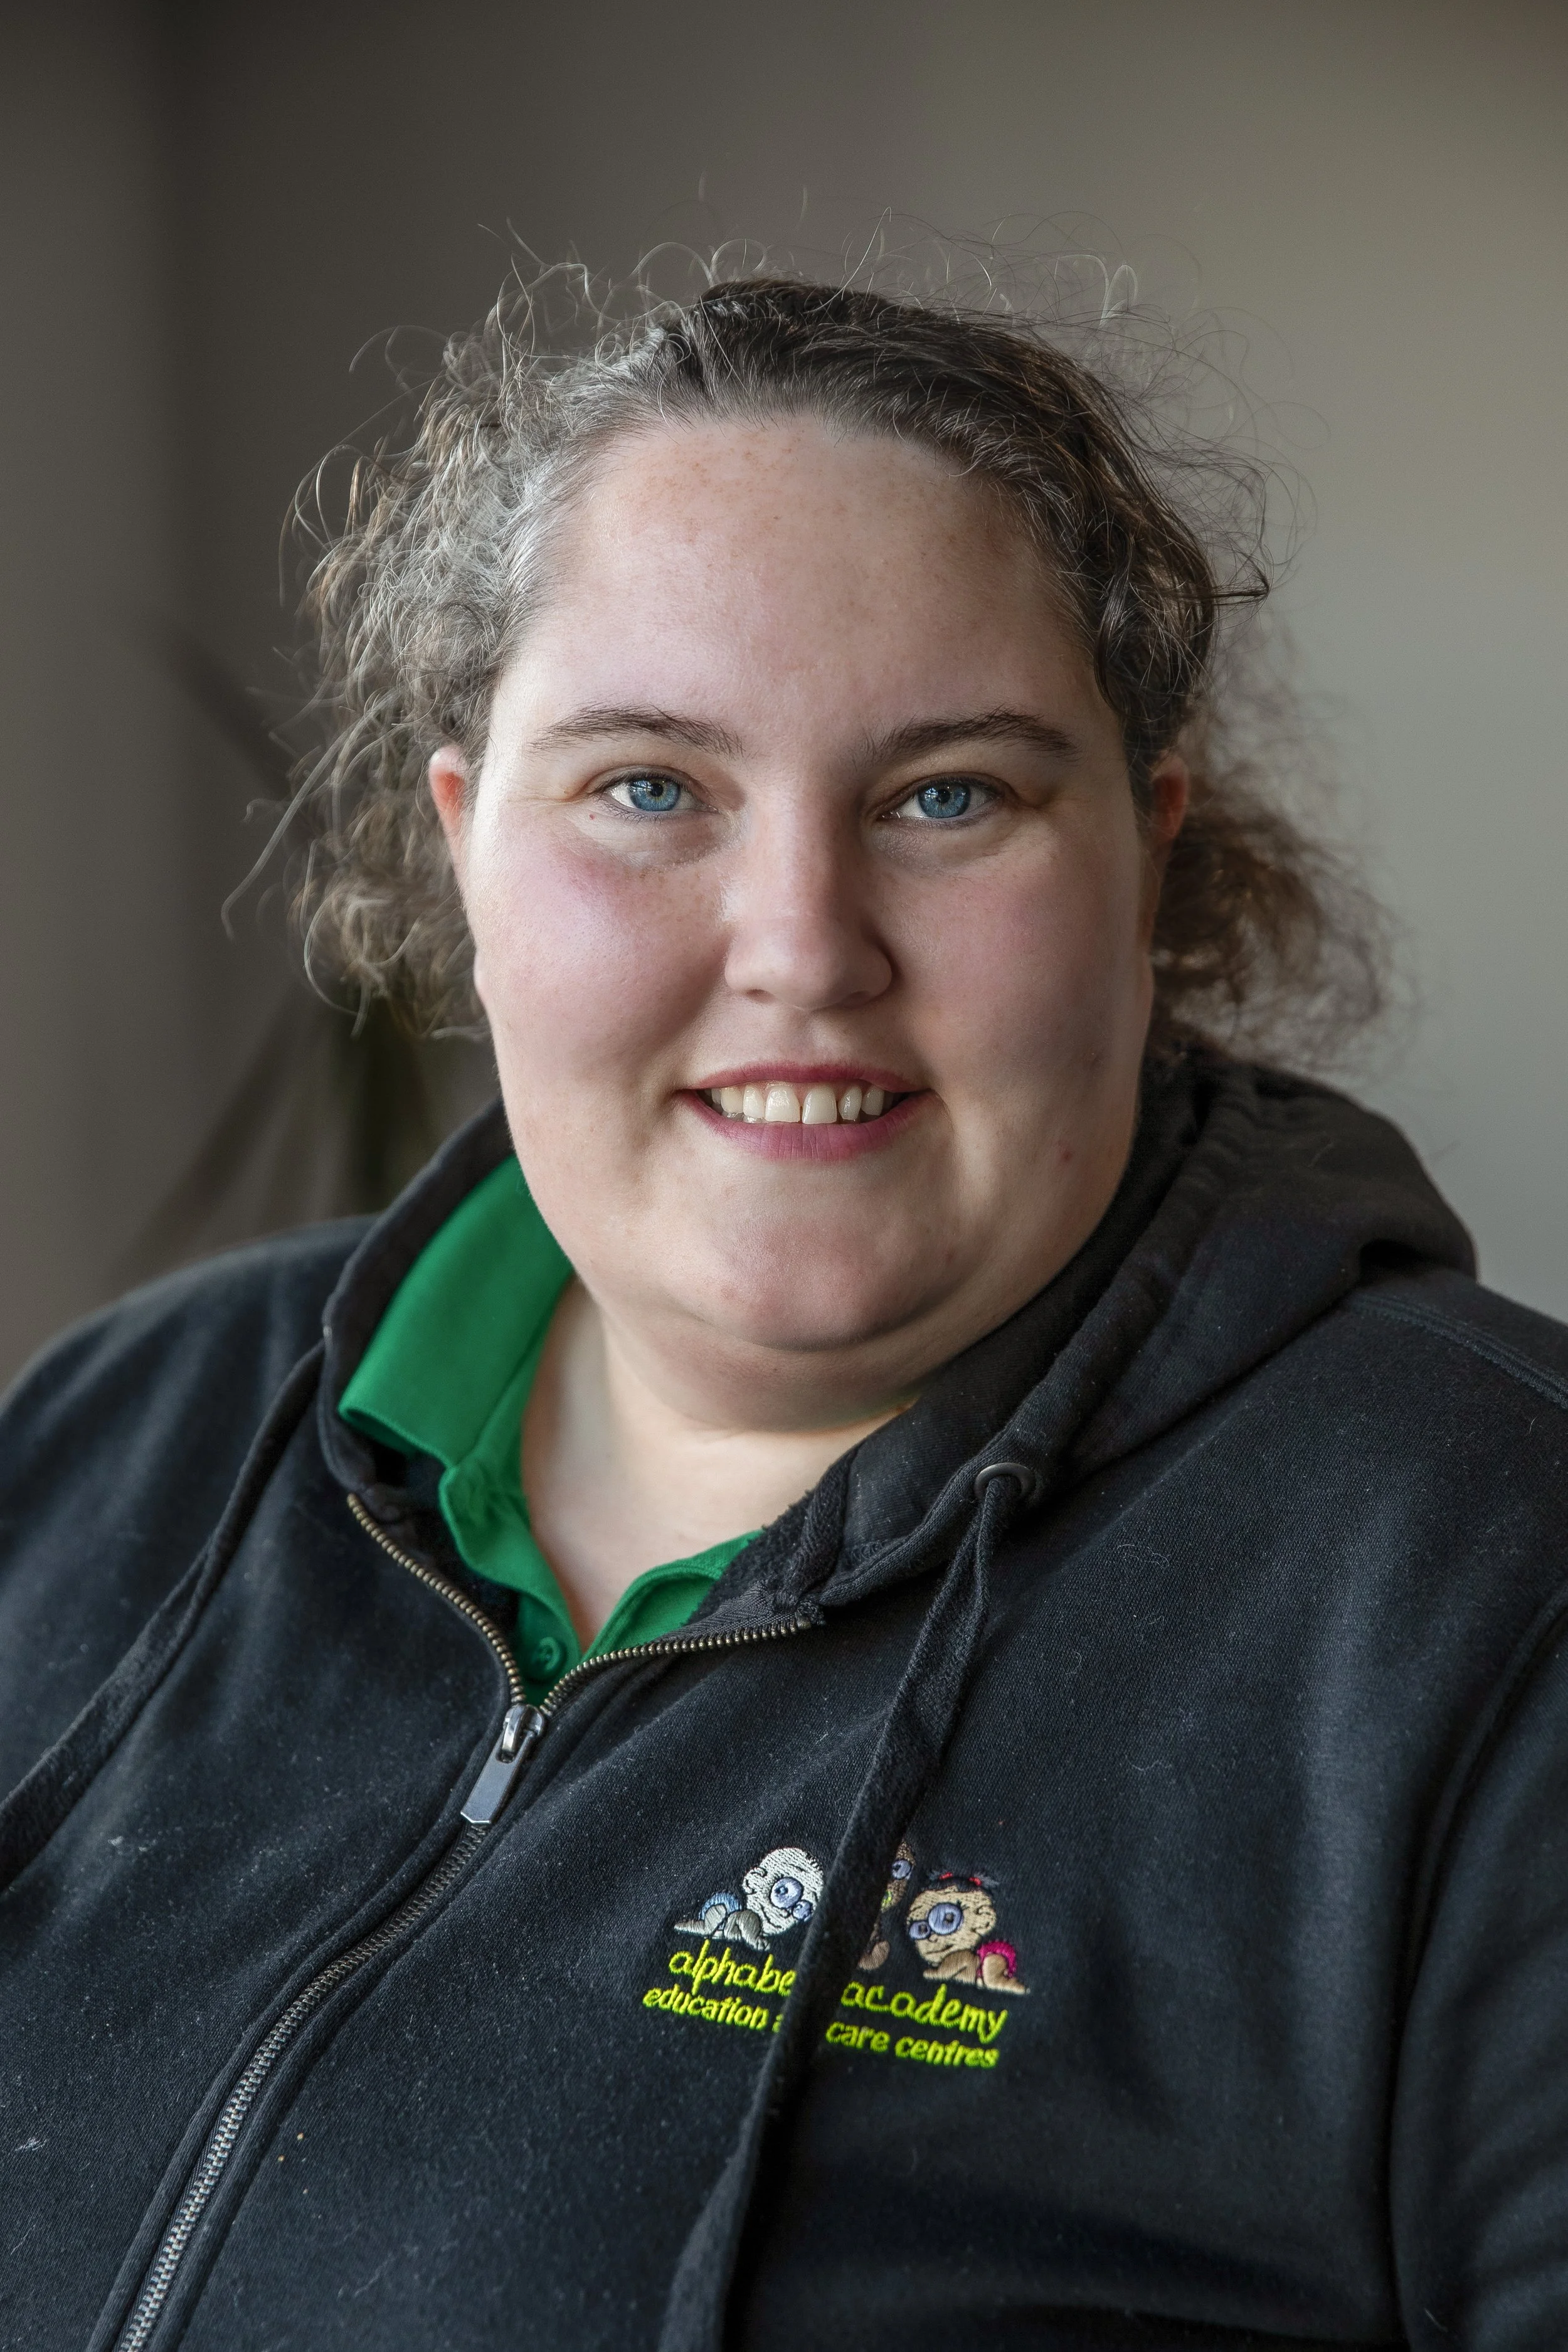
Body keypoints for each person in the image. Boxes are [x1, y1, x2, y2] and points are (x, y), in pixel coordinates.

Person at [3, 272, 1565, 2352]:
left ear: (1141, 859)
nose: (801, 949)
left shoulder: (1486, 1573)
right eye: (648, 785)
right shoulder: (124, 1429)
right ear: (471, 847)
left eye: (949, 795)